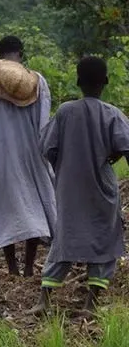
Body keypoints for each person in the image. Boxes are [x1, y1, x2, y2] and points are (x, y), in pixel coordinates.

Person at [33, 56, 129, 313]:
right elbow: (125, 146)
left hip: (69, 188)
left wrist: (63, 167)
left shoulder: (65, 112)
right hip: (103, 190)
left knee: (65, 238)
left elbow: (47, 147)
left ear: (77, 82)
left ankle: (44, 300)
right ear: (106, 82)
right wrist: (114, 155)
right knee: (104, 241)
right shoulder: (112, 114)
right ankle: (91, 303)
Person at [0, 35, 56, 277]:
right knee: (33, 207)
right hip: (31, 154)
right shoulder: (38, 81)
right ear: (21, 53)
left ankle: (11, 267)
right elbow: (44, 125)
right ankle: (29, 267)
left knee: (4, 208)